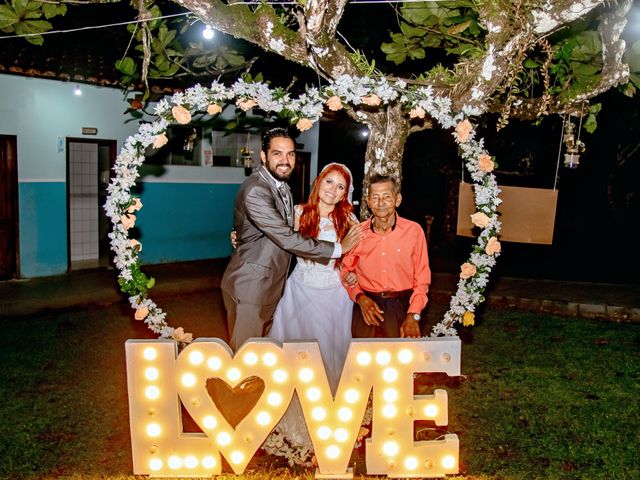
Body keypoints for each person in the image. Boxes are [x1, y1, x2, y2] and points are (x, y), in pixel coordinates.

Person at [221, 128, 364, 351]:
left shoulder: (283, 187)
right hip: (256, 286)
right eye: (277, 153)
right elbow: (287, 237)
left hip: (303, 289)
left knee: (267, 350)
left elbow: (362, 252)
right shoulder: (258, 190)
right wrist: (339, 248)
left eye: (290, 154)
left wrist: (353, 271)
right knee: (246, 352)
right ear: (263, 156)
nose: (285, 160)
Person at [263, 163, 358, 466]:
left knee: (331, 353)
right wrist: (240, 238)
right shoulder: (298, 213)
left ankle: (331, 422)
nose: (333, 190)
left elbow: (356, 257)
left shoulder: (349, 220)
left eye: (340, 186)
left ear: (346, 193)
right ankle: (295, 424)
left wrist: (353, 274)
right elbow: (273, 238)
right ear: (319, 183)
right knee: (298, 353)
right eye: (329, 182)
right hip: (301, 293)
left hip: (335, 296)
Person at [341, 173, 431, 339]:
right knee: (362, 361)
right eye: (375, 197)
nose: (381, 203)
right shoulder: (358, 233)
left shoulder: (414, 231)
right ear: (368, 202)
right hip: (367, 307)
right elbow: (345, 271)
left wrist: (413, 315)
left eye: (386, 197)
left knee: (403, 360)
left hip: (402, 307)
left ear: (397, 200)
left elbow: (422, 279)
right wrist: (359, 297)